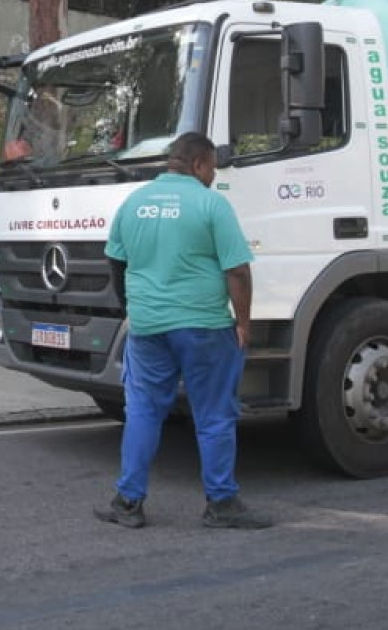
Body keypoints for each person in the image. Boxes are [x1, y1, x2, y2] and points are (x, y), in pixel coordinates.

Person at [95, 131, 270, 530]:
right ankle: (221, 503)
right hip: (204, 327)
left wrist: (132, 310)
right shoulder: (211, 204)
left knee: (142, 411)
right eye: (212, 168)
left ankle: (128, 502)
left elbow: (115, 262)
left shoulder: (133, 203)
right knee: (214, 415)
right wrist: (244, 323)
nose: (213, 176)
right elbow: (238, 271)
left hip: (148, 328)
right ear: (197, 164)